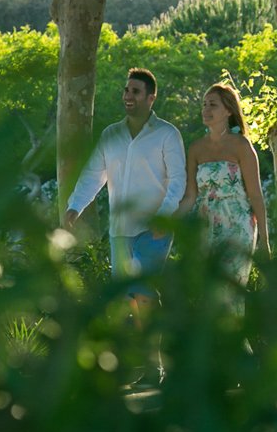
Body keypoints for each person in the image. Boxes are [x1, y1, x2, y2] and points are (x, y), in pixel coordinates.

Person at [63, 68, 186, 329]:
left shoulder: (167, 134)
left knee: (144, 292)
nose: (128, 96)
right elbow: (94, 174)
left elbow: (178, 180)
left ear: (151, 97)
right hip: (120, 230)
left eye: (136, 92)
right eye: (126, 90)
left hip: (154, 229)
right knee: (127, 295)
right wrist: (75, 206)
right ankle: (142, 355)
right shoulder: (111, 134)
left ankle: (156, 361)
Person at [178, 82, 271, 306]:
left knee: (229, 296)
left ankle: (234, 340)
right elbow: (190, 196)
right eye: (204, 104)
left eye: (213, 105)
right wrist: (169, 222)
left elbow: (256, 195)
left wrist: (265, 241)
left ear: (228, 110)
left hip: (238, 225)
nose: (206, 109)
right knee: (209, 297)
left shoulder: (241, 146)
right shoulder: (196, 149)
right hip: (206, 225)